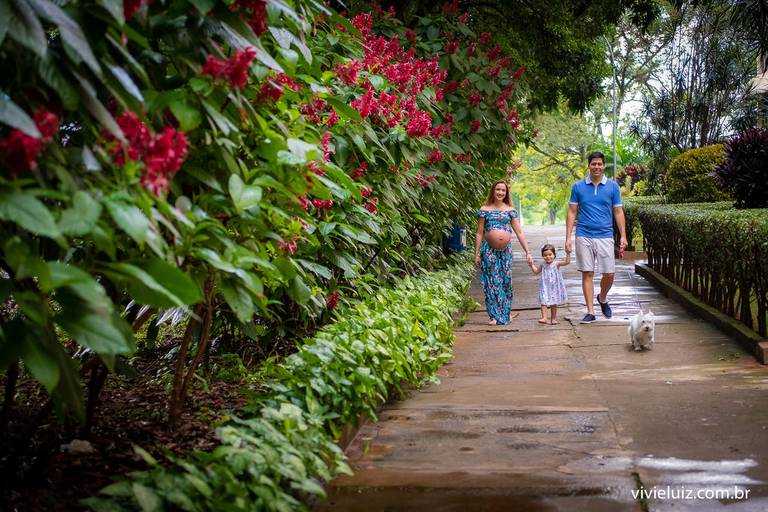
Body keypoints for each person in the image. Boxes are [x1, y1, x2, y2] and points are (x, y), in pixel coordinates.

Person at [565, 151, 627, 324]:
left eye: (600, 164)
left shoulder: (613, 187)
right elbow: (571, 212)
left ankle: (603, 297)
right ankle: (590, 311)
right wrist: (568, 237)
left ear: (604, 165)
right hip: (583, 234)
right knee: (588, 273)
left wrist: (623, 235)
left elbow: (618, 211)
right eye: (594, 164)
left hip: (605, 235)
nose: (597, 167)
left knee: (609, 274)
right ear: (589, 165)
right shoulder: (578, 187)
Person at [474, 180, 534, 325]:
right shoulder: (484, 210)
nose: (500, 192)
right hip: (488, 250)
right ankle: (494, 316)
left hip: (506, 251)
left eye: (503, 190)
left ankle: (505, 312)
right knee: (492, 281)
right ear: (493, 191)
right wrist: (476, 254)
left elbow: (519, 233)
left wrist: (528, 252)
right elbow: (479, 233)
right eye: (498, 190)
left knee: (506, 281)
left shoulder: (510, 210)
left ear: (506, 193)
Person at [528, 244, 570, 325]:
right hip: (545, 286)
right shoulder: (543, 265)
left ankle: (553, 318)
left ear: (554, 255)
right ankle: (544, 318)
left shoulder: (556, 264)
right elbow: (536, 271)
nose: (548, 257)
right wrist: (531, 265)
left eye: (550, 254)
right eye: (545, 255)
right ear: (542, 256)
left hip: (554, 286)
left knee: (553, 302)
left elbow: (567, 262)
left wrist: (568, 253)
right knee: (543, 301)